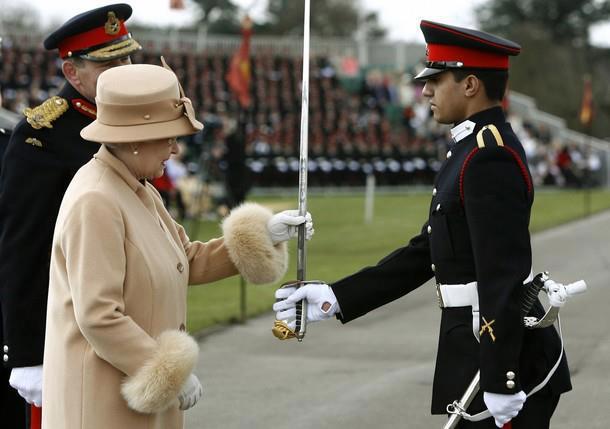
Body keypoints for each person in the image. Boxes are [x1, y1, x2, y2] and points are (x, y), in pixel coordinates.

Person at [273, 20, 571, 429]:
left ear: (470, 85)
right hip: (475, 349)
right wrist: (338, 297)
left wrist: (502, 377)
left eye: (436, 79)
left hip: (504, 360)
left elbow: (501, 275)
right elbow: (428, 250)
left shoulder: (488, 156)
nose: (425, 90)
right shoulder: (468, 150)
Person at [43, 62, 313, 429]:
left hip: (136, 396)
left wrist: (265, 235)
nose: (175, 148)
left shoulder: (136, 187)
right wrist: (166, 372)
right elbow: (98, 315)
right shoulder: (97, 199)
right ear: (134, 139)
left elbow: (182, 259)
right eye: (168, 136)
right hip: (103, 403)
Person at [0, 3, 142, 423]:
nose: (124, 71)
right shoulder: (42, 136)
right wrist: (25, 354)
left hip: (125, 319)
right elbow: (21, 246)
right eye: (108, 65)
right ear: (72, 74)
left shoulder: (134, 123)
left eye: (127, 57)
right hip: (67, 327)